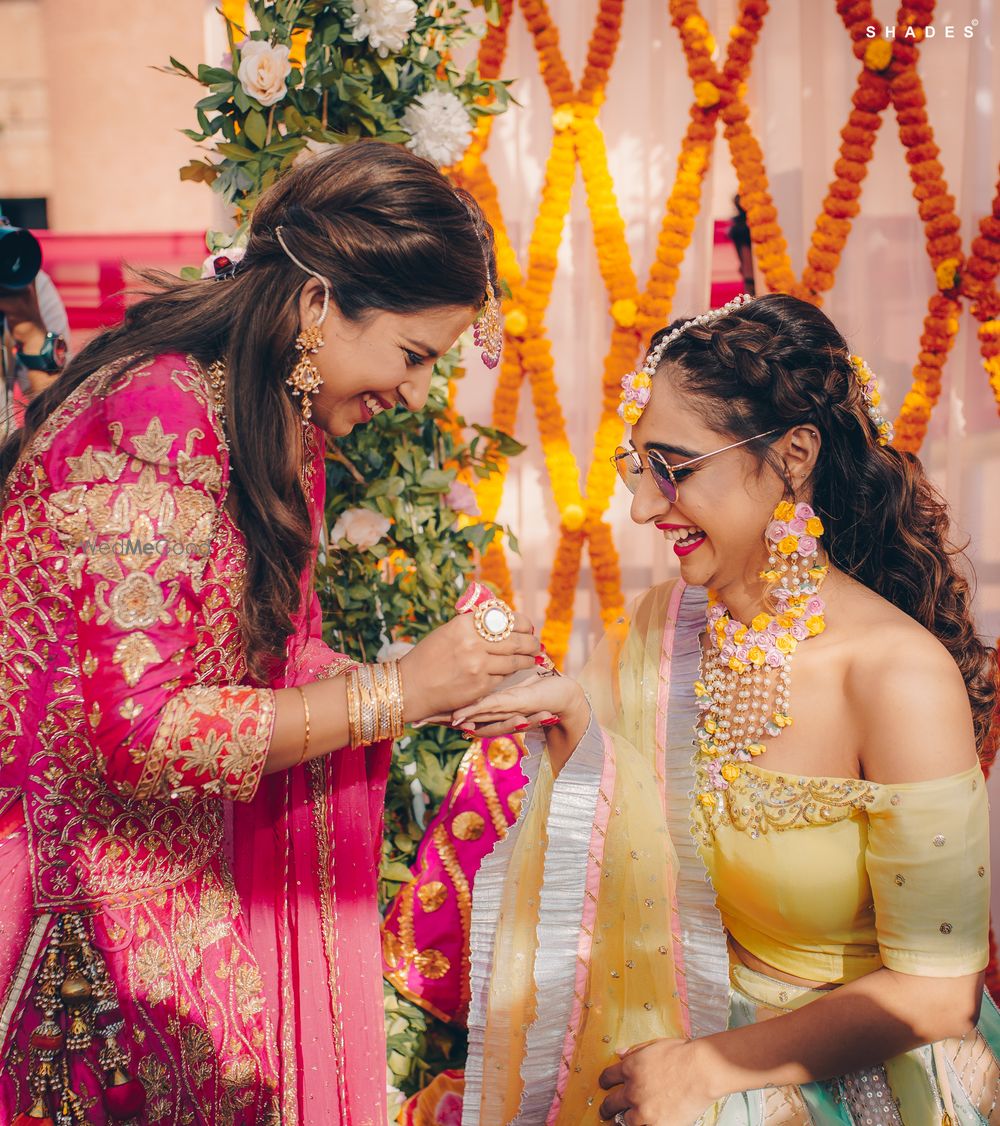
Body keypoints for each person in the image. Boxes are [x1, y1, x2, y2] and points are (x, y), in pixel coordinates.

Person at [0, 141, 540, 1125]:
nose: (414, 392)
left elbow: (255, 662)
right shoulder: (152, 415)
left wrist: (438, 677)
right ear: (319, 302)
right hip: (74, 938)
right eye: (413, 355)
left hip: (175, 899)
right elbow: (146, 733)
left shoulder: (268, 415)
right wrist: (395, 693)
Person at [452, 293, 999, 1125]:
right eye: (639, 467)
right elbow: (628, 837)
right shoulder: (664, 629)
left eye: (675, 468)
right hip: (686, 1029)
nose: (642, 506)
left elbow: (941, 991)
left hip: (855, 1077)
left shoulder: (896, 678)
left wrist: (704, 1069)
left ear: (794, 455)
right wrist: (570, 716)